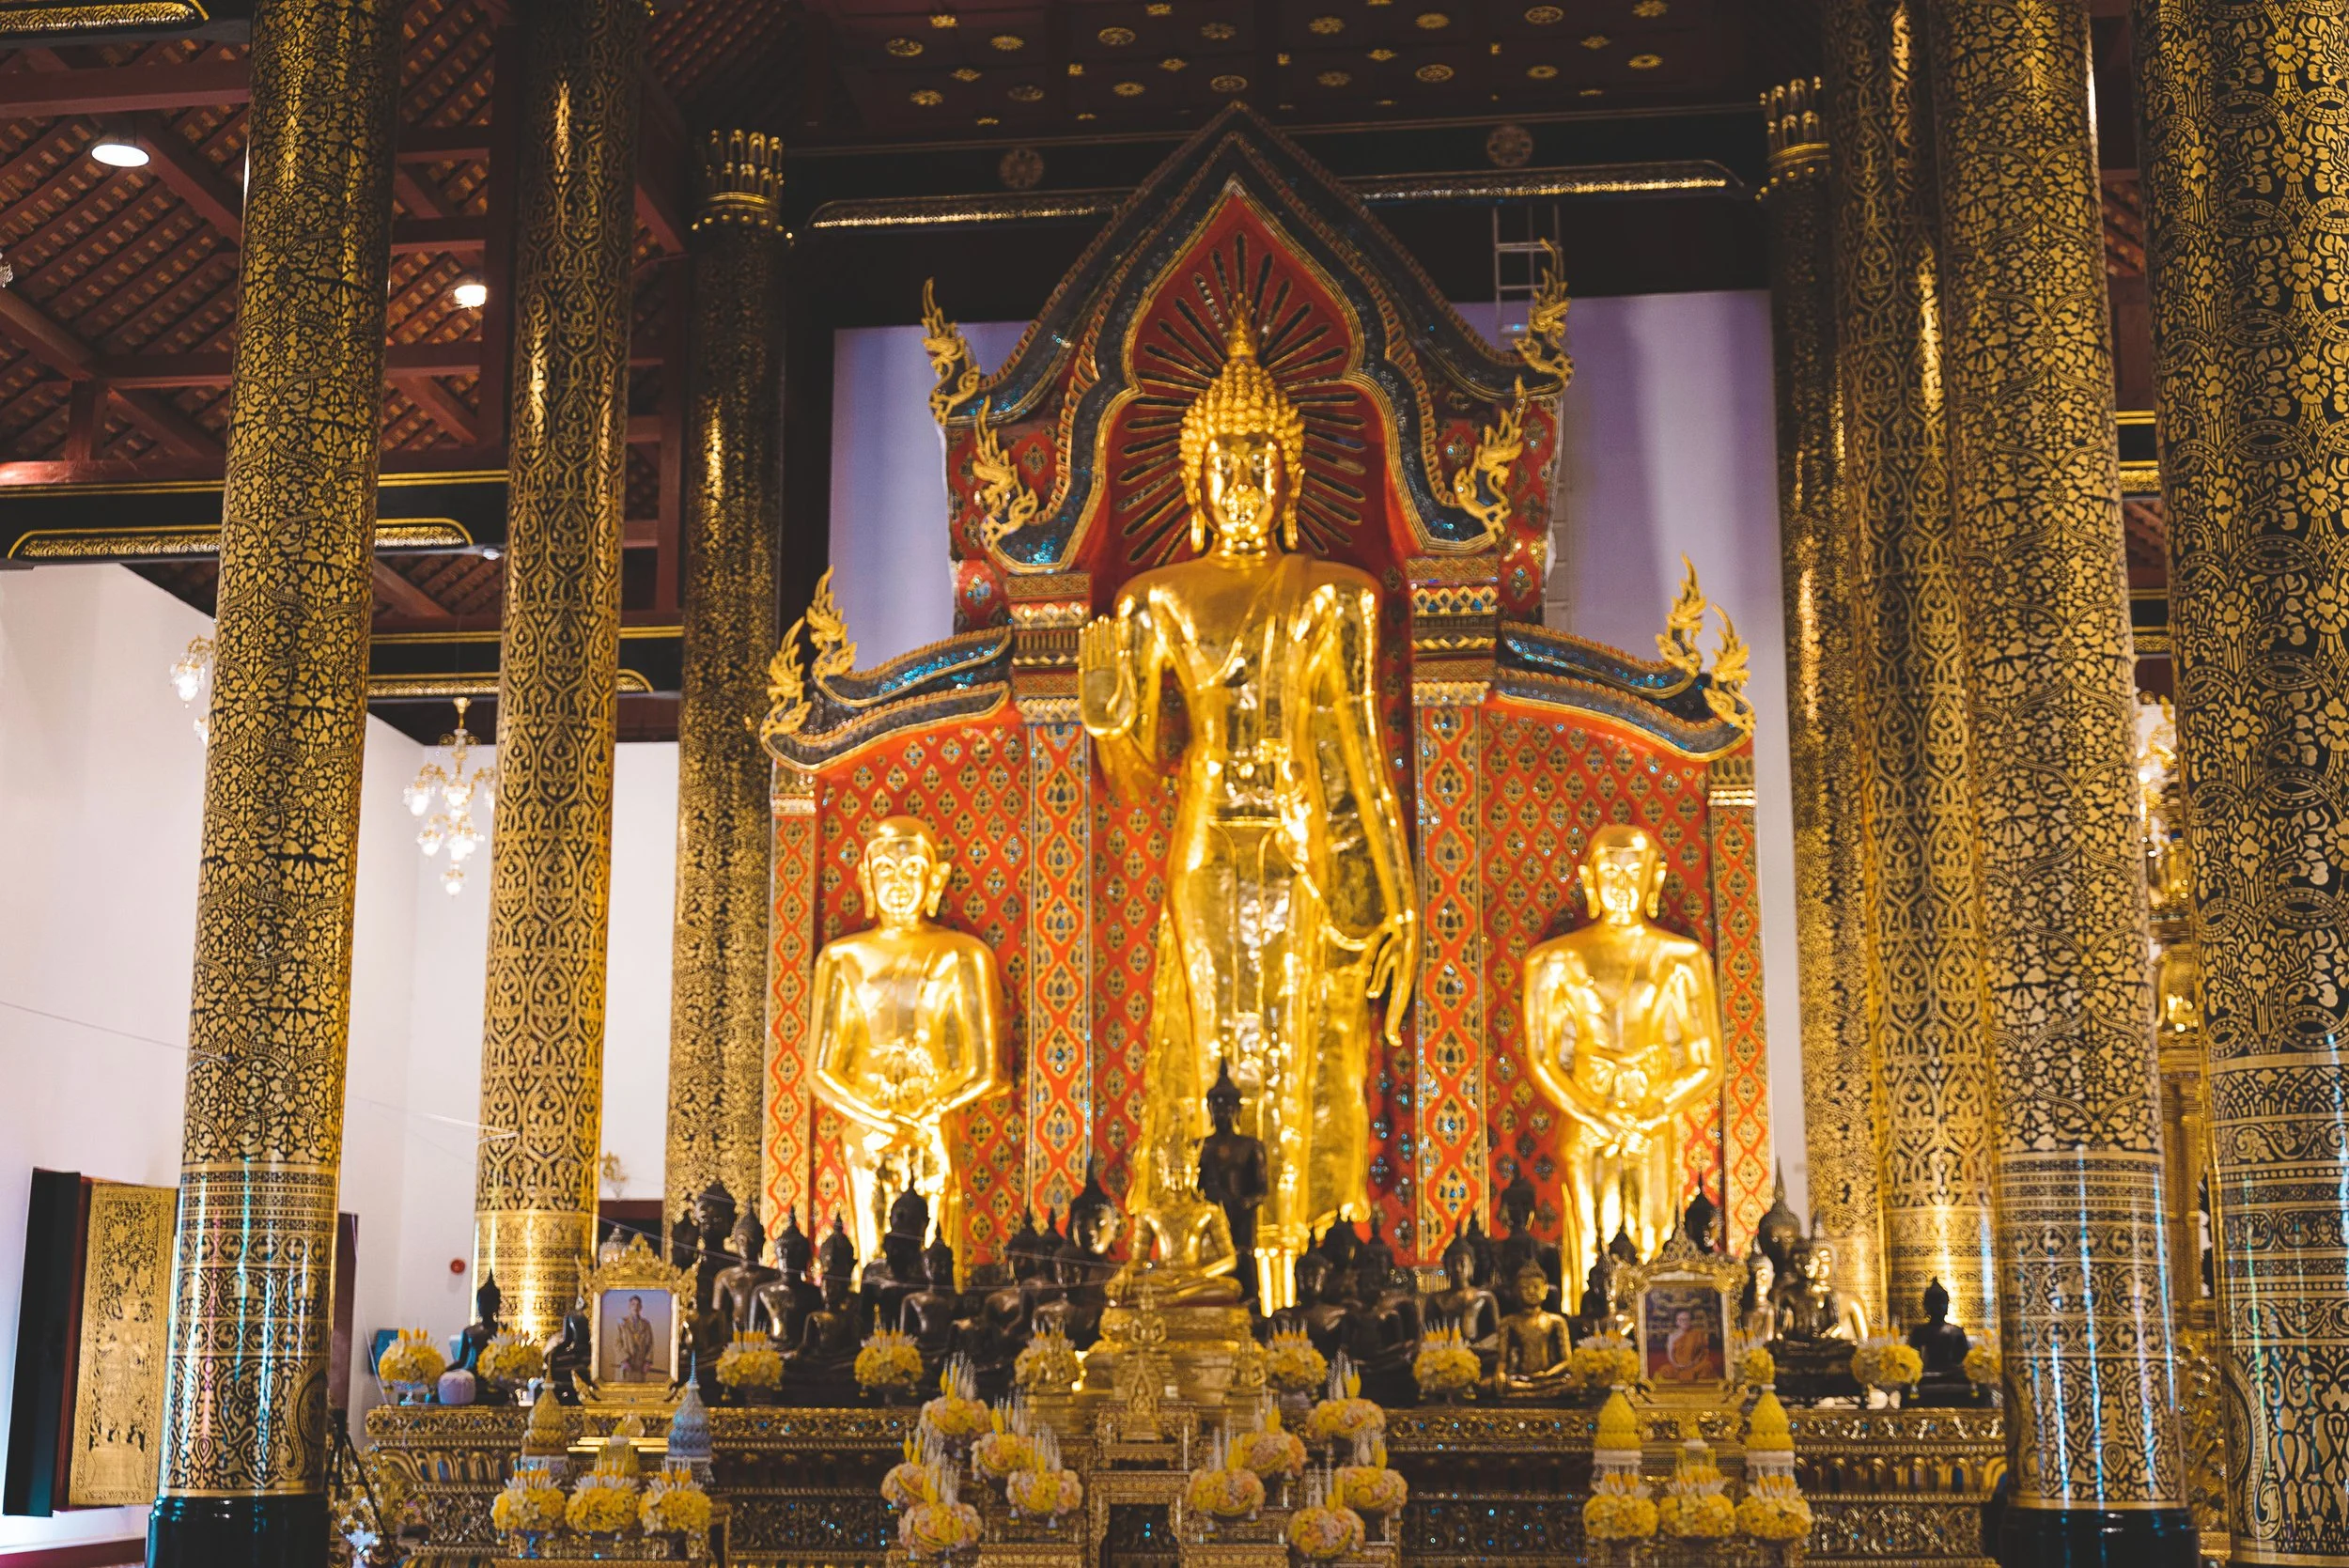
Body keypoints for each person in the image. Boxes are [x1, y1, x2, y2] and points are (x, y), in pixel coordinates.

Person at [1080, 311, 1418, 1312]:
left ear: (1289, 476)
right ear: (1192, 481)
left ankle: (1295, 1255)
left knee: (1309, 1034)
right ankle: (1207, 1257)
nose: (1239, 488)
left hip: (1305, 845)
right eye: (1221, 468)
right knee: (1214, 1042)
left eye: (1257, 466)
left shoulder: (1338, 593)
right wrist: (1106, 721)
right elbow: (1140, 773)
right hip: (1209, 842)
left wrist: (1392, 901)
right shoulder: (1154, 599)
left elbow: (1359, 755)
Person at [614, 1295, 656, 1382]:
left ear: (641, 1307)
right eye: (633, 1304)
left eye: (638, 1305)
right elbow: (617, 1344)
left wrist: (648, 1362)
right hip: (626, 1367)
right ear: (629, 1306)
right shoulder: (622, 1324)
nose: (635, 1307)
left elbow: (650, 1345)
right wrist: (624, 1360)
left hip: (640, 1368)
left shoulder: (646, 1325)